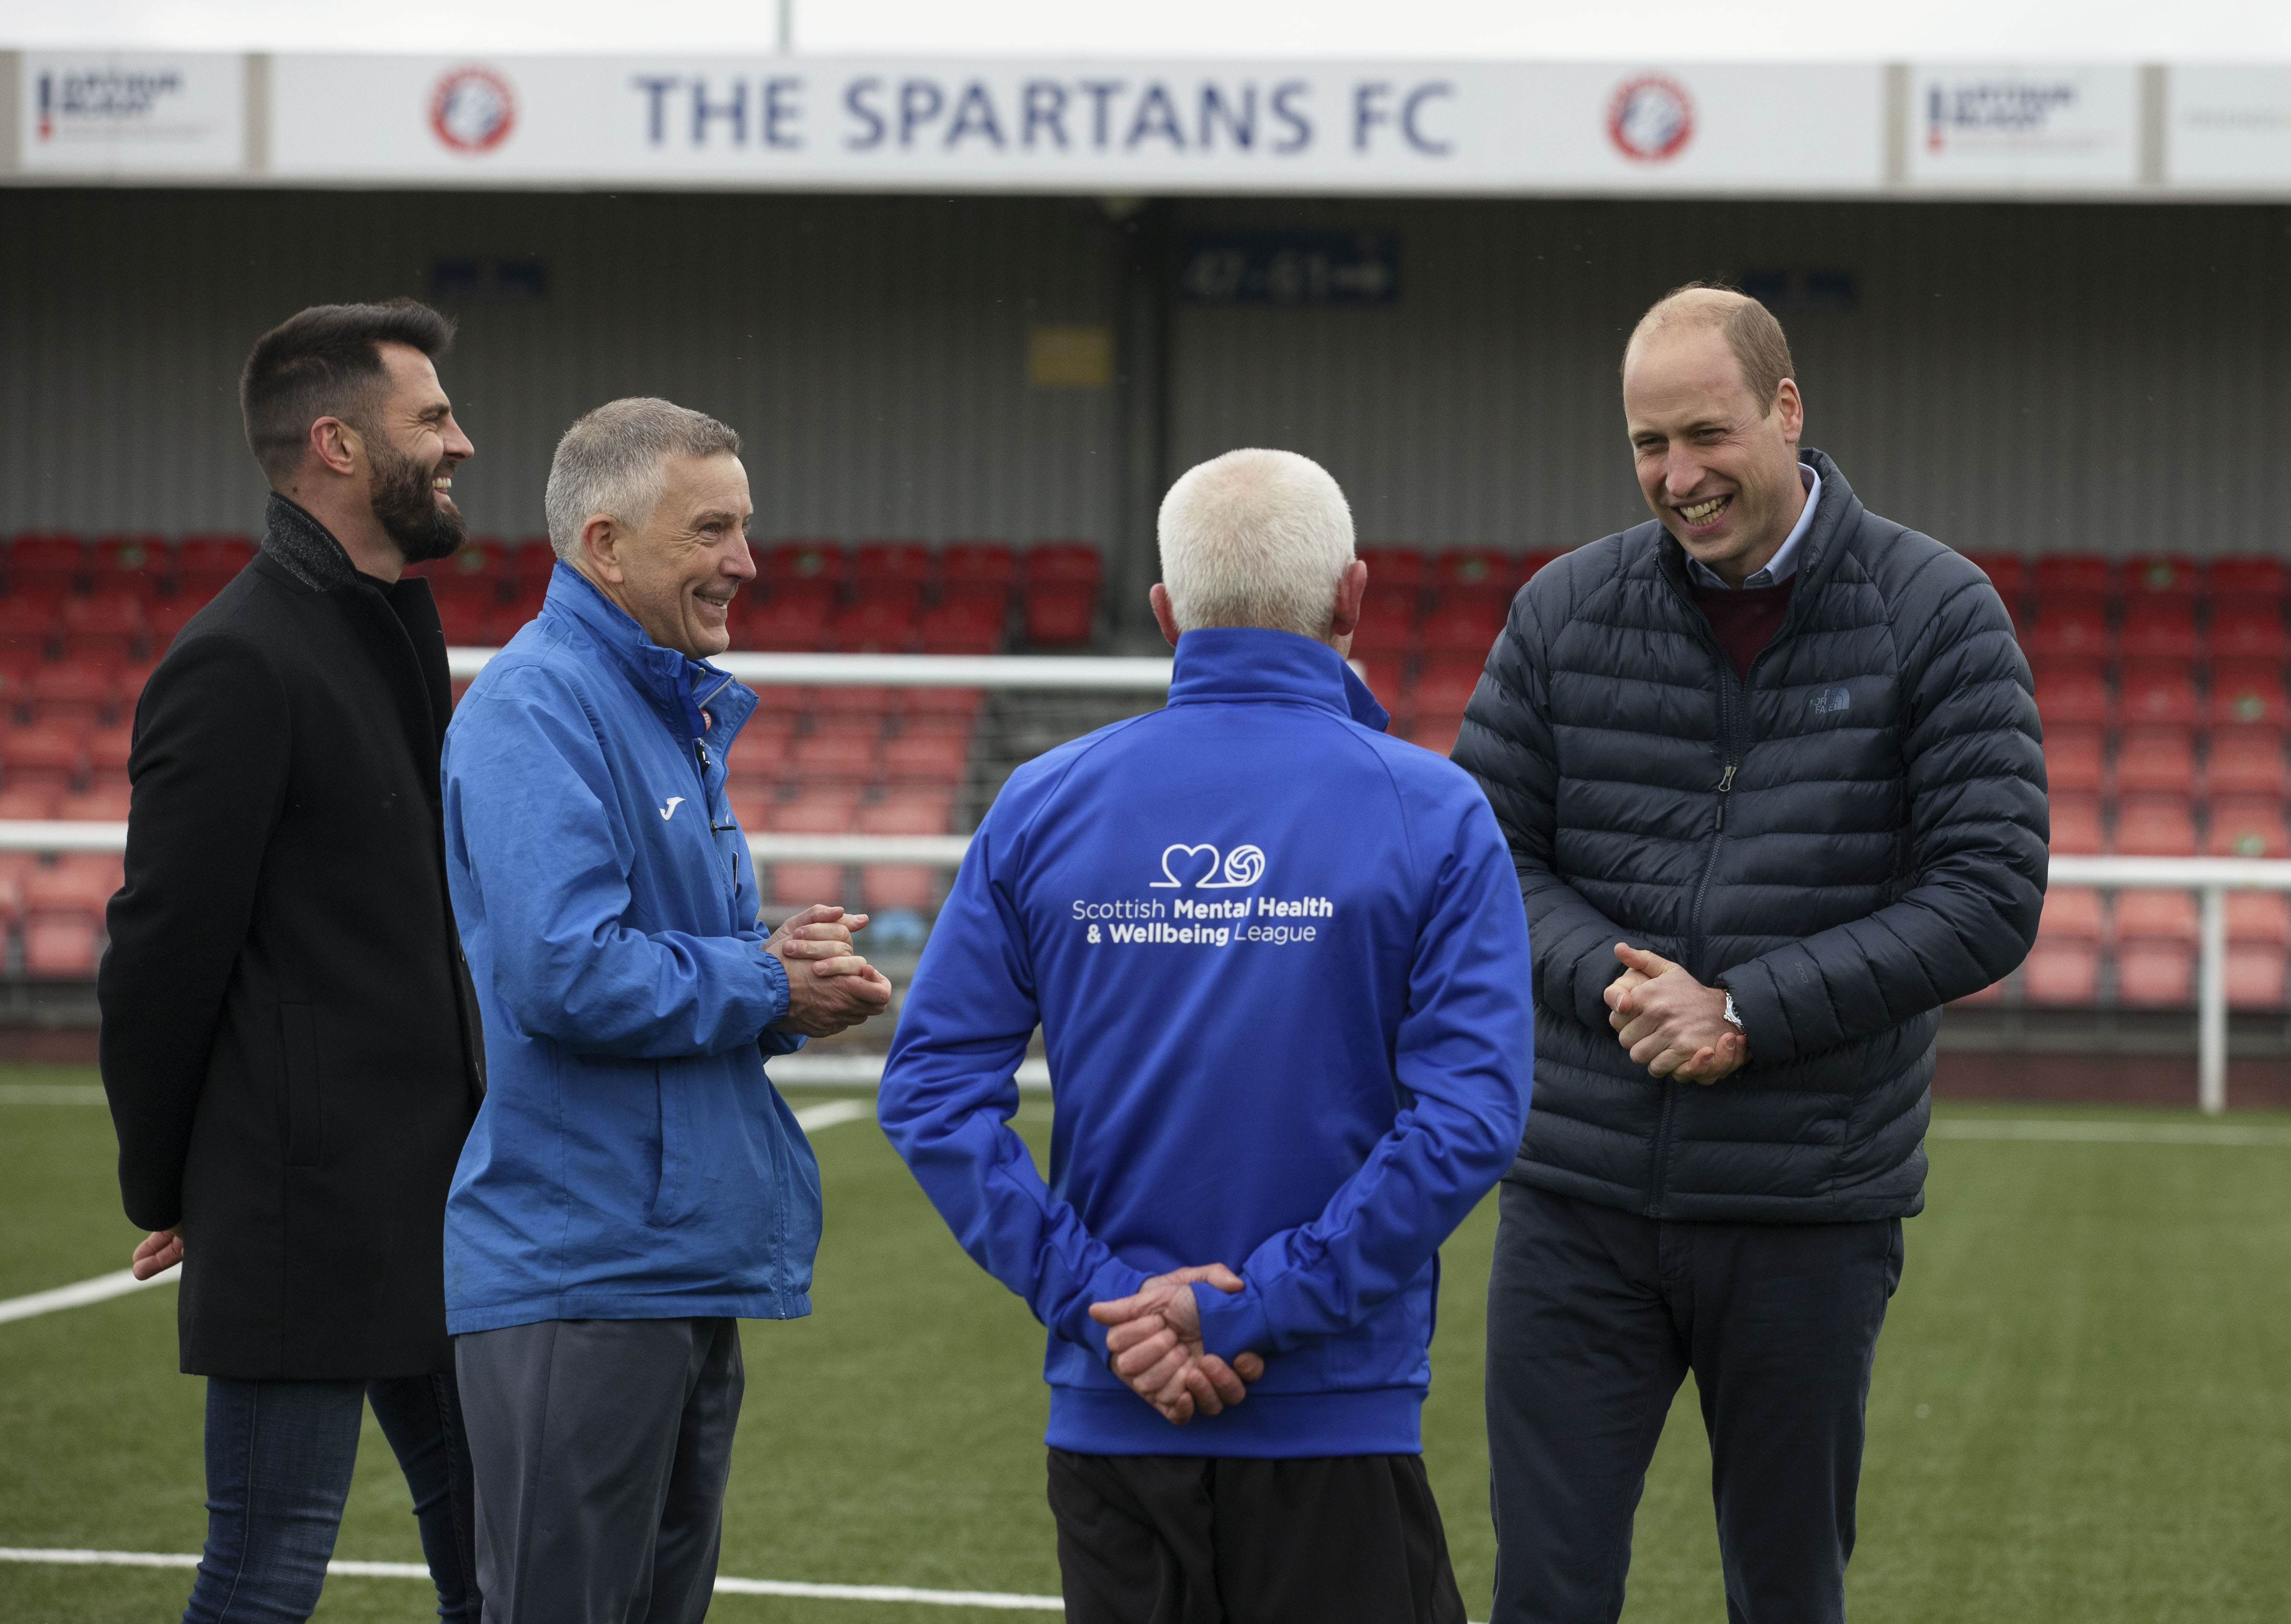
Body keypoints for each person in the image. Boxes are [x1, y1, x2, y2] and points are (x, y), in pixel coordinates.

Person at [1458, 284, 2047, 1624]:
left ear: (1788, 410)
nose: (1678, 475)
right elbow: (1484, 861)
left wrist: (1745, 1009)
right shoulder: (1561, 611)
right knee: (1543, 1592)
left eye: (1706, 433)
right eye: (1646, 444)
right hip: (1576, 1196)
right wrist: (1622, 984)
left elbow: (1988, 890)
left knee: (1785, 1591)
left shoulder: (1939, 612)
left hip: (1806, 1208)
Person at [878, 448, 1534, 1624]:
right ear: (1354, 596)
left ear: (1167, 612)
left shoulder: (1043, 798)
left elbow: (929, 1087)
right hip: (1334, 1404)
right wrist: (1251, 1307)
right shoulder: (1431, 808)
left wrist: (1101, 1300)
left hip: (1114, 1397)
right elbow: (1469, 1117)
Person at [439, 396, 893, 1623]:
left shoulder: (652, 700)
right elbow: (563, 972)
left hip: (668, 1259)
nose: (745, 560)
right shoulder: (540, 707)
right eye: (711, 530)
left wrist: (781, 969)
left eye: (743, 527)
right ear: (604, 544)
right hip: (584, 1265)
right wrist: (763, 982)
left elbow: (653, 949)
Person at [98, 299, 487, 1622]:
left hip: (435, 1198)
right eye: (431, 417)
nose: (462, 441)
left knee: (496, 1559)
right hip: (300, 1206)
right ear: (335, 442)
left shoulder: (394, 623)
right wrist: (170, 1173)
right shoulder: (237, 659)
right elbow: (159, 949)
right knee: (264, 1578)